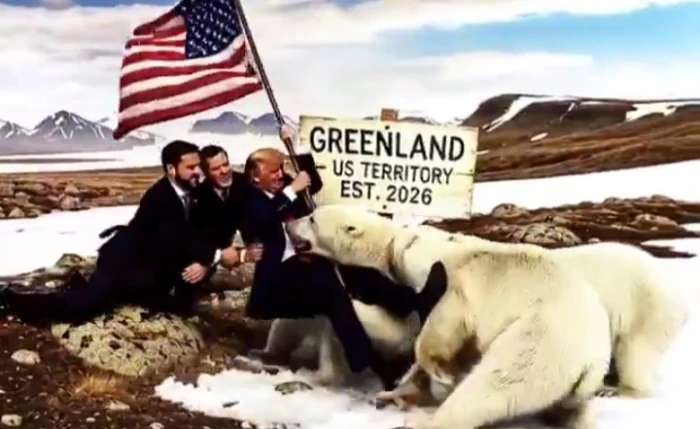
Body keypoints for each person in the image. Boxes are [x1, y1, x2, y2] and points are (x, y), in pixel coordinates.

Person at [237, 124, 412, 389]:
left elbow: (313, 182)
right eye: (273, 172)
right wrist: (291, 190)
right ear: (254, 176)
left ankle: (411, 303)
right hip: (281, 275)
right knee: (333, 293)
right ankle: (370, 363)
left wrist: (296, 146)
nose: (280, 175)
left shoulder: (286, 186)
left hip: (311, 259)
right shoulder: (247, 198)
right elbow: (263, 218)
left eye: (281, 169)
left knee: (360, 272)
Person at [0, 140, 246, 324]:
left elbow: (203, 224)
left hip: (154, 265)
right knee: (85, 308)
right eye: (190, 167)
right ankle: (11, 299)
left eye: (198, 166)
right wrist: (215, 255)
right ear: (171, 169)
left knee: (178, 306)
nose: (197, 172)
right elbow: (173, 239)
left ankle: (80, 284)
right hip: (123, 261)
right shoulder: (159, 197)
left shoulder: (194, 189)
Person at [195, 144, 263, 266]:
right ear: (205, 173)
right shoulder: (199, 197)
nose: (224, 171)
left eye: (226, 164)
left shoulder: (243, 182)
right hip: (218, 256)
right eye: (216, 169)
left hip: (252, 247)